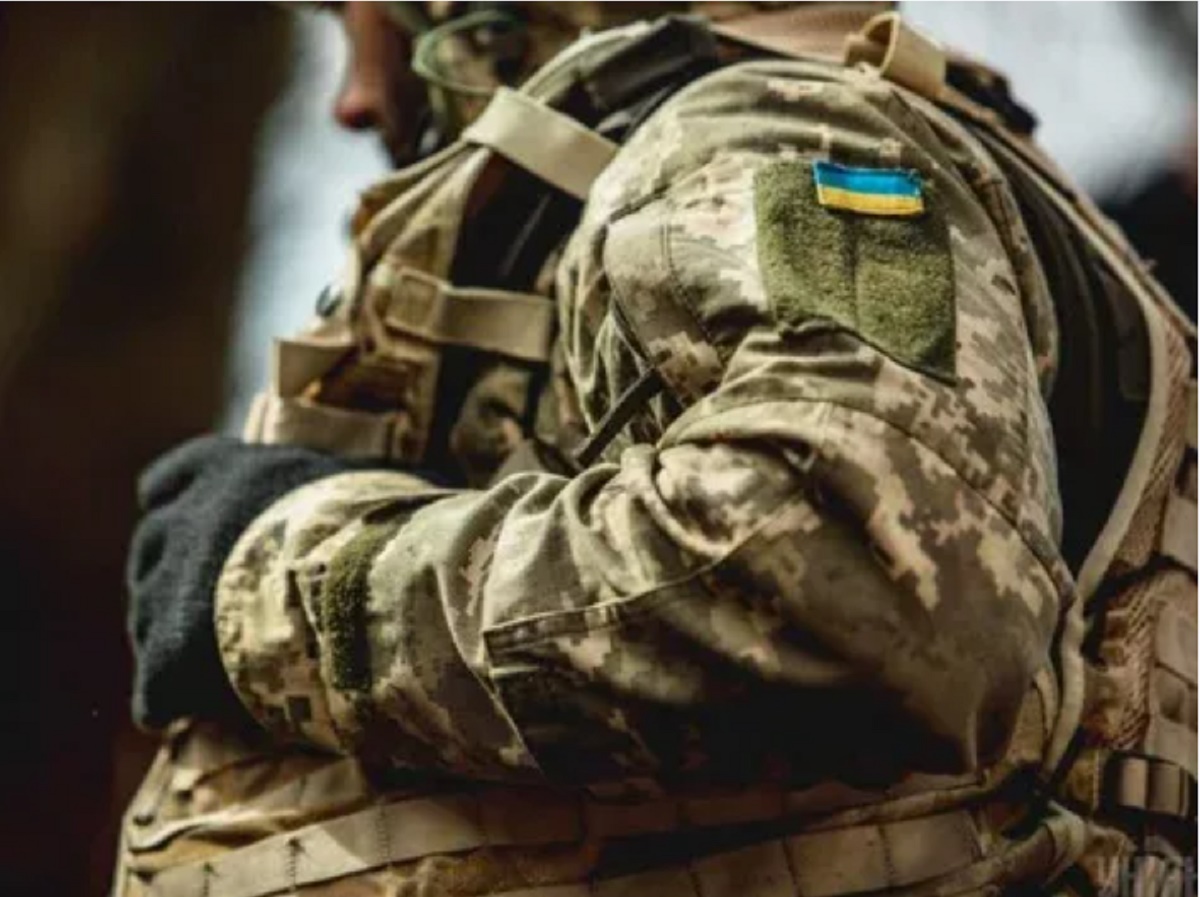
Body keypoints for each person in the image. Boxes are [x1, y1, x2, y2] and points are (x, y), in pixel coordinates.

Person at [115, 4, 1197, 897]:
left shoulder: (763, 133)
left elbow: (851, 576)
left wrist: (266, 577)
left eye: (352, 16)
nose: (350, 99)